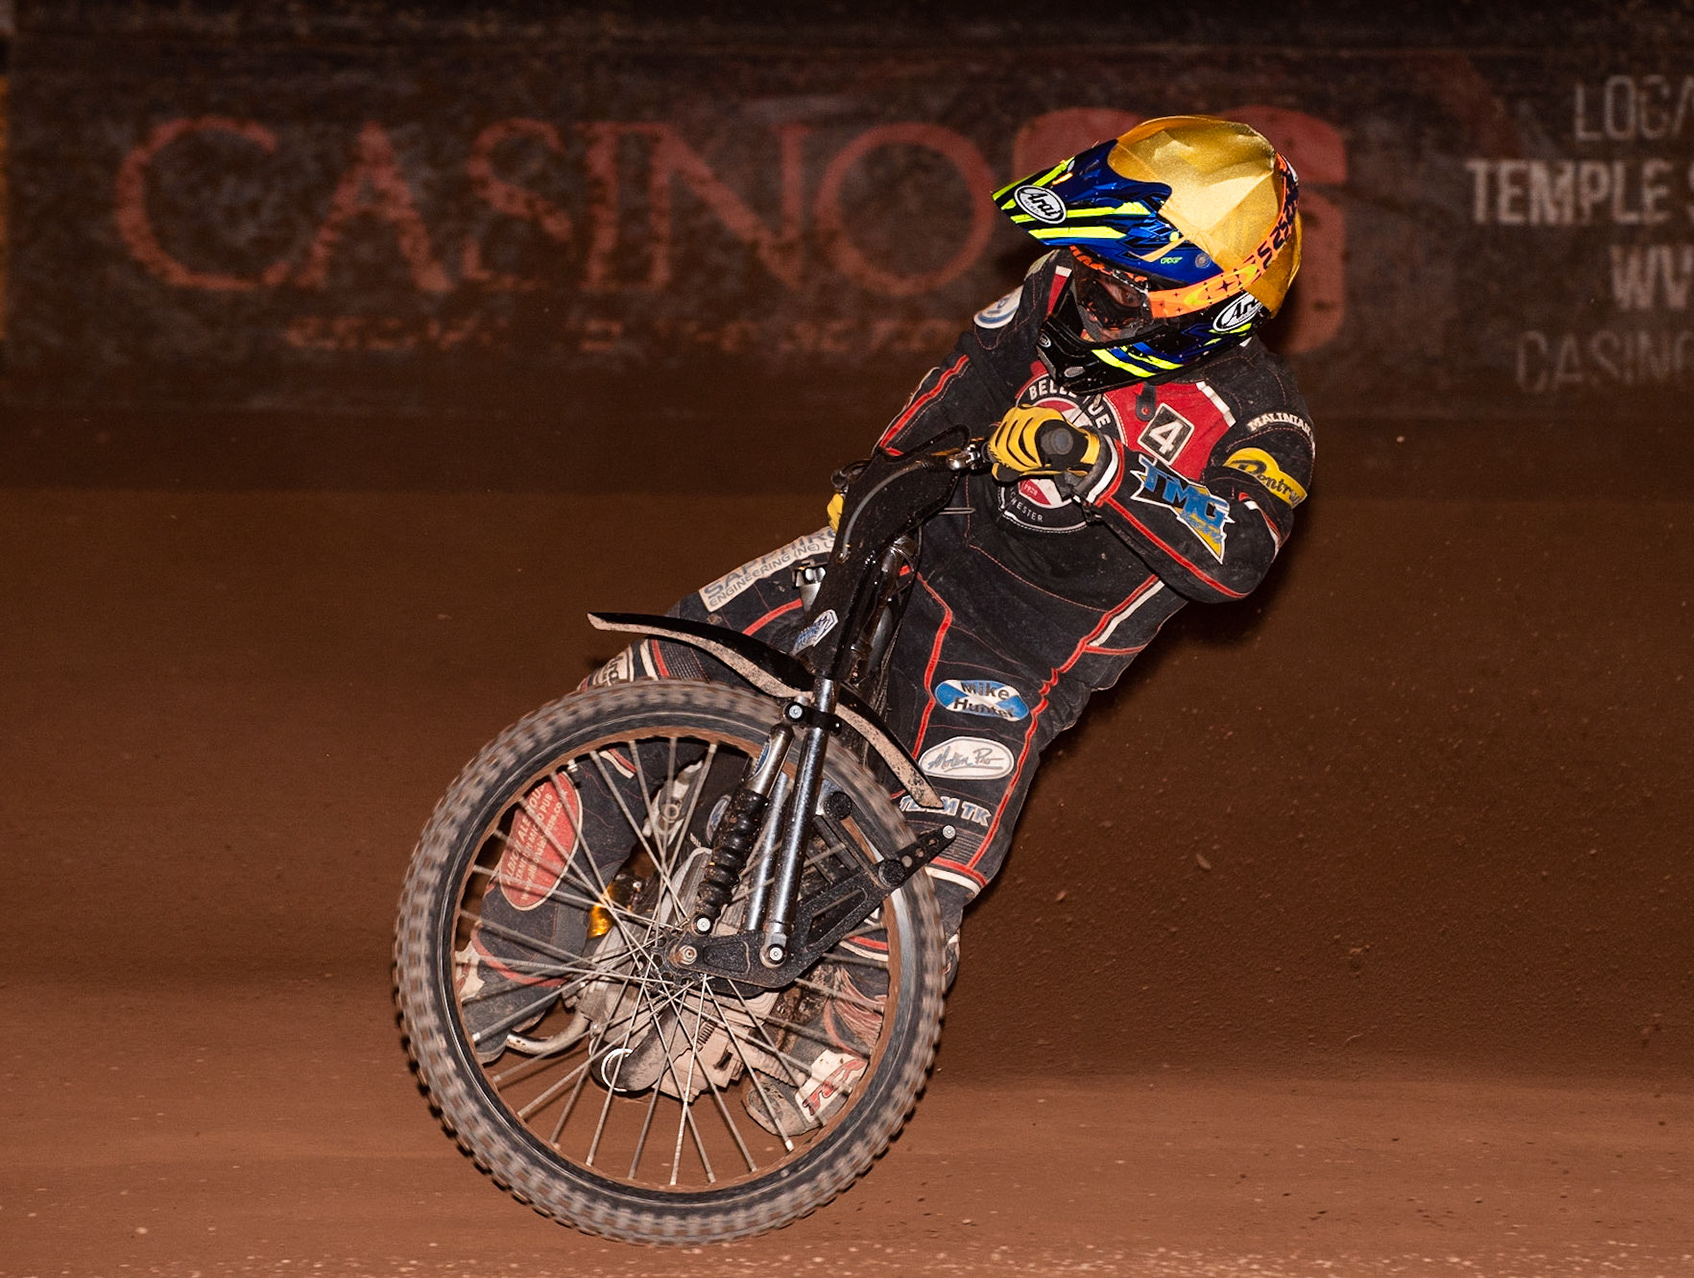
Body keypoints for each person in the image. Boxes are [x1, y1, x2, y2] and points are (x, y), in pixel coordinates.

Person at [462, 115, 1317, 1135]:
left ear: (1208, 299)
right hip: (911, 551)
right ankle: (505, 965)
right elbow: (960, 382)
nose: (1084, 287)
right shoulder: (1052, 295)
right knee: (645, 684)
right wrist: (871, 494)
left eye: (1118, 278)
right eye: (1086, 261)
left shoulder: (1262, 418)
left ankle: (824, 1051)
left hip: (1019, 656)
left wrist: (1105, 469)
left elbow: (1239, 558)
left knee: (922, 887)